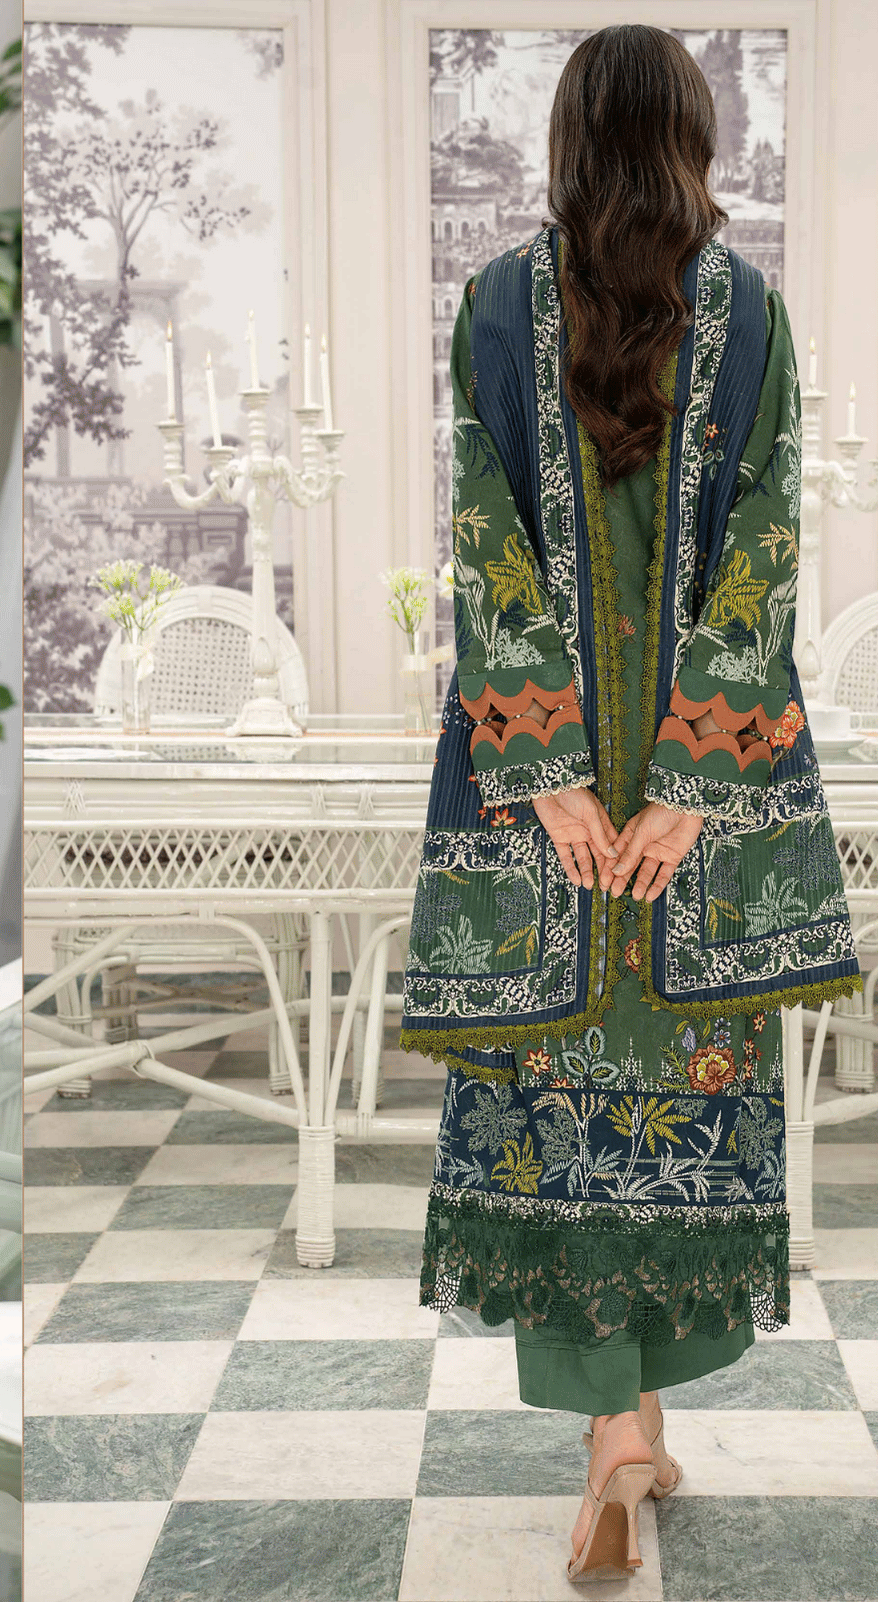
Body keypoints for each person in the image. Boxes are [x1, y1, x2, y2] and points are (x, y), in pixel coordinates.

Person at [398, 27, 859, 1583]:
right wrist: (694, 787)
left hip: (546, 826)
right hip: (684, 832)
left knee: (549, 1117)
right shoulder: (751, 321)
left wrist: (539, 776)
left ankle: (610, 1435)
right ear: (692, 143)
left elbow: (486, 543)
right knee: (676, 1114)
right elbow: (765, 563)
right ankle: (633, 1436)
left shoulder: (494, 305)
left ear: (567, 138)